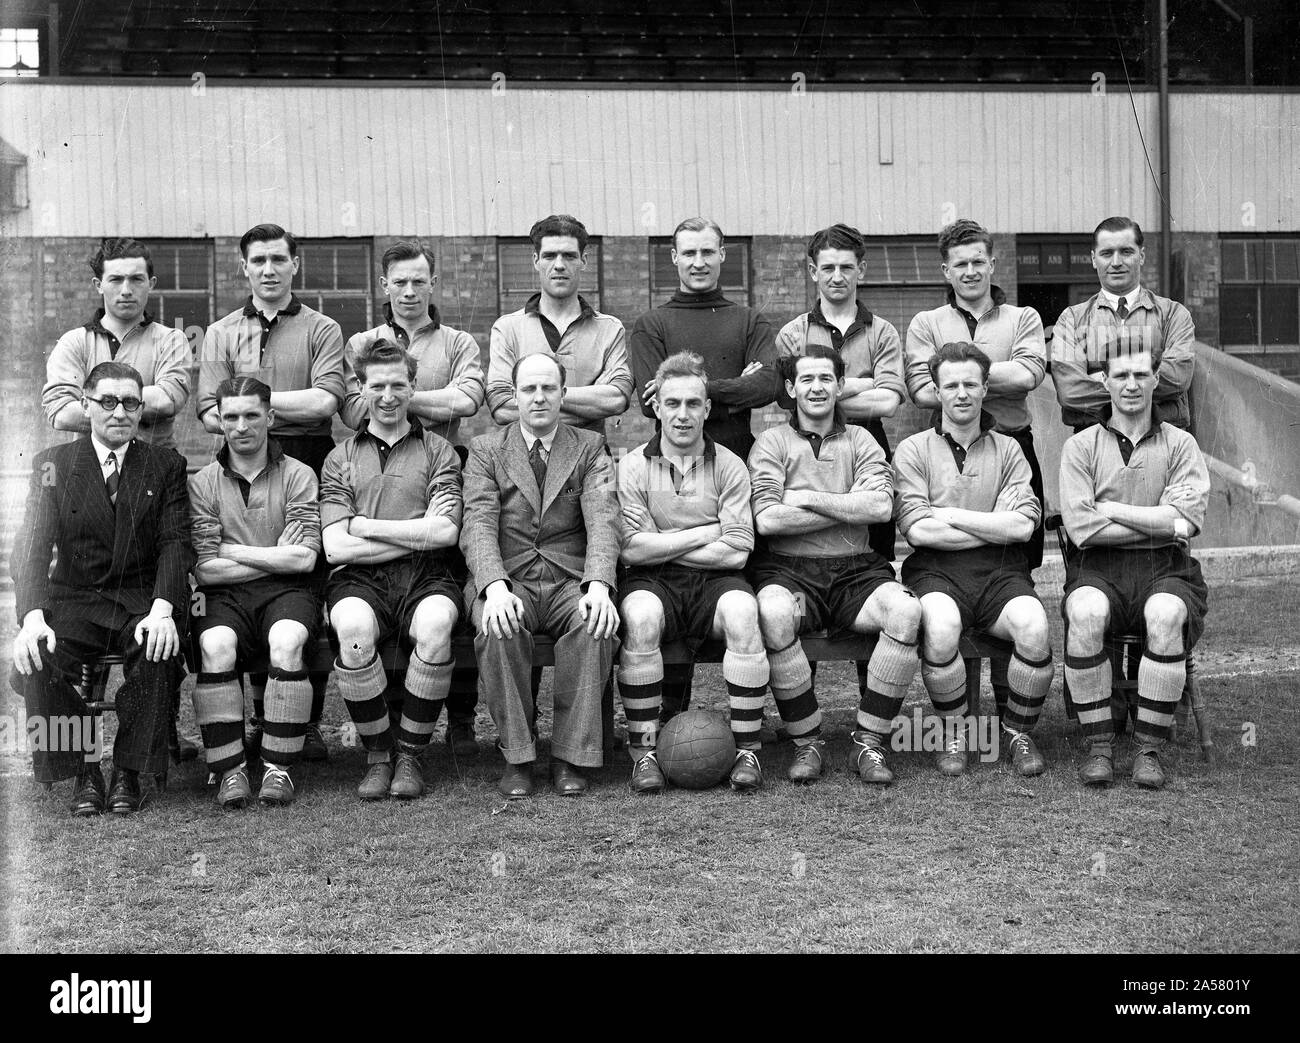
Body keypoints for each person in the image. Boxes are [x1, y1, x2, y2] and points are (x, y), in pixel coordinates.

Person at [10, 362, 192, 816]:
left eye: (130, 402)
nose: (119, 412)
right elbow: (32, 546)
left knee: (159, 648)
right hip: (76, 598)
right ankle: (84, 769)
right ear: (87, 405)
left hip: (141, 600)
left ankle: (128, 772)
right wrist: (32, 618)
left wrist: (164, 608)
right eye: (107, 401)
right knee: (36, 656)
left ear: (140, 409)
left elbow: (176, 541)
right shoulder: (54, 465)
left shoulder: (164, 464)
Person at [198, 223, 346, 761]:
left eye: (278, 259)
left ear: (294, 265)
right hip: (238, 465)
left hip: (306, 461)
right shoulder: (219, 332)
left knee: (305, 582)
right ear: (244, 267)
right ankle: (261, 720)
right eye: (257, 260)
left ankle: (301, 723)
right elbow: (210, 412)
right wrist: (255, 418)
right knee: (259, 584)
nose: (268, 269)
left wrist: (252, 406)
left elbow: (326, 403)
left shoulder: (322, 328)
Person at [749, 346, 922, 787]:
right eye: (806, 379)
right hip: (792, 575)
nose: (817, 387)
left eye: (826, 378)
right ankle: (808, 741)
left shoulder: (862, 440)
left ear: (840, 385)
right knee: (773, 613)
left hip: (855, 575)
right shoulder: (771, 443)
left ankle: (869, 739)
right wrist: (848, 505)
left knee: (905, 611)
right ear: (790, 389)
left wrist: (803, 496)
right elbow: (768, 518)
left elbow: (882, 507)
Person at [630, 216, 778, 721]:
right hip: (669, 473)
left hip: (735, 467)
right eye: (688, 253)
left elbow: (767, 388)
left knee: (738, 597)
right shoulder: (652, 324)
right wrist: (732, 383)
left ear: (723, 255)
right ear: (673, 258)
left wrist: (699, 386)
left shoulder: (749, 320)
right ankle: (672, 719)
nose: (698, 262)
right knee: (665, 594)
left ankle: (761, 720)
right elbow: (653, 404)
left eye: (708, 252)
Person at [341, 239, 485, 759]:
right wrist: (407, 395)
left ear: (433, 283)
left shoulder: (459, 341)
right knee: (382, 595)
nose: (408, 290)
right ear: (384, 286)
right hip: (375, 466)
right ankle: (391, 721)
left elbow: (467, 401)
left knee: (447, 586)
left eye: (418, 280)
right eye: (398, 281)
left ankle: (463, 720)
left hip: (443, 463)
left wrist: (391, 393)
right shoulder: (361, 340)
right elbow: (352, 414)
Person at [905, 218, 1048, 720]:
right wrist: (991, 372)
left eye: (978, 261)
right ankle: (961, 714)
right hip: (949, 447)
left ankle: (1010, 706)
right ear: (946, 270)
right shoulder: (926, 323)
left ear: (993, 263)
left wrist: (958, 370)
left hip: (1010, 444)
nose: (970, 271)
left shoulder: (1024, 316)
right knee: (951, 580)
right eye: (959, 264)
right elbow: (923, 391)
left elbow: (1030, 374)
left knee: (1015, 566)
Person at [461, 353, 621, 799]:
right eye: (529, 389)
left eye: (548, 388)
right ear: (514, 396)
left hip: (570, 578)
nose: (538, 397)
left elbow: (604, 520)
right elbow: (477, 522)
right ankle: (518, 755)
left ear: (563, 395)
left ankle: (569, 756)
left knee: (596, 623)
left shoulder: (589, 447)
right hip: (509, 578)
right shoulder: (486, 449)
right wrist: (493, 587)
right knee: (498, 628)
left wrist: (598, 585)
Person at [893, 342, 1053, 778]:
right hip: (935, 571)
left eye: (970, 384)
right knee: (942, 628)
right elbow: (918, 530)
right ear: (937, 391)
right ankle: (954, 734)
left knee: (1034, 628)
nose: (961, 393)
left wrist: (950, 515)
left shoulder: (1010, 450)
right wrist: (990, 520)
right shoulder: (912, 450)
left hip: (1002, 572)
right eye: (951, 385)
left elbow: (1022, 528)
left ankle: (1018, 733)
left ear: (985, 387)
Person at [615, 352, 768, 793]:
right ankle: (643, 752)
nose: (683, 415)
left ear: (707, 408)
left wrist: (661, 544)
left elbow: (737, 551)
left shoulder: (730, 465)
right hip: (654, 583)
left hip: (714, 583)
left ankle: (747, 751)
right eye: (673, 403)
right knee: (641, 617)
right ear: (657, 408)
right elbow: (630, 549)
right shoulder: (632, 466)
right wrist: (706, 531)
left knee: (742, 611)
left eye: (693, 404)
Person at [1060, 345, 1210, 790]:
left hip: (1167, 568)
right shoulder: (1080, 446)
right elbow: (1082, 529)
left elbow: (1185, 524)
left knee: (1165, 615)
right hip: (1097, 568)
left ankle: (1148, 750)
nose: (1131, 384)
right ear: (1103, 381)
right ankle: (1100, 747)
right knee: (1085, 613)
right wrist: (1157, 520)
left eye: (1141, 375)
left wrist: (1113, 510)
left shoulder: (1181, 443)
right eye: (1120, 374)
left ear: (1155, 379)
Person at [320, 339, 463, 801]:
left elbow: (443, 534)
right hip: (358, 580)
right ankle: (378, 755)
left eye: (397, 384)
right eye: (376, 385)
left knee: (437, 625)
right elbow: (335, 545)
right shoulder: (339, 457)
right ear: (359, 388)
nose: (387, 396)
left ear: (413, 385)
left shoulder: (440, 450)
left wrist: (365, 525)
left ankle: (410, 756)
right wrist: (411, 528)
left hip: (429, 574)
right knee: (355, 631)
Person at [189, 376, 322, 808]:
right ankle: (230, 770)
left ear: (270, 416)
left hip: (289, 591)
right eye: (231, 417)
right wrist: (271, 553)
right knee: (214, 644)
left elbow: (303, 560)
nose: (241, 426)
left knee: (287, 641)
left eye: (251, 415)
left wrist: (234, 549)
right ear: (219, 422)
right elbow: (206, 571)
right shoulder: (204, 482)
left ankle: (277, 768)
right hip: (224, 596)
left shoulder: (299, 474)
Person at [775, 223, 906, 562]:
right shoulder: (793, 334)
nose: (837, 276)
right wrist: (863, 384)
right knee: (814, 535)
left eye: (846, 267)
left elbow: (889, 402)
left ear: (860, 269)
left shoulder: (883, 332)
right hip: (808, 446)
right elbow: (792, 399)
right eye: (828, 268)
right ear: (812, 271)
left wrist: (823, 390)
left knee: (875, 546)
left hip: (868, 442)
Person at [485, 214, 631, 439]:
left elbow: (617, 399)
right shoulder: (507, 329)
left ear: (584, 260)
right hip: (523, 463)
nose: (560, 265)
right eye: (550, 256)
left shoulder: (609, 329)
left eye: (570, 256)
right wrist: (589, 404)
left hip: (589, 461)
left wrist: (534, 399)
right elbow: (502, 408)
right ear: (536, 261)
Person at [42, 238, 191, 452]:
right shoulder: (74, 342)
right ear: (98, 285)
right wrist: (132, 404)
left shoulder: (171, 340)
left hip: (154, 468)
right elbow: (62, 413)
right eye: (116, 279)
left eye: (137, 279)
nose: (126, 290)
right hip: (90, 470)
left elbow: (166, 401)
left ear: (152, 283)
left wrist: (98, 405)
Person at [1051, 216, 1196, 432]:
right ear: (1093, 259)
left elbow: (1178, 377)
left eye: (1126, 252)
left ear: (1142, 256)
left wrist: (1101, 377)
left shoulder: (1173, 315)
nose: (1116, 262)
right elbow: (1070, 391)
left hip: (1163, 438)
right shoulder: (1071, 319)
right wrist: (1145, 380)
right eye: (1107, 253)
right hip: (1094, 439)